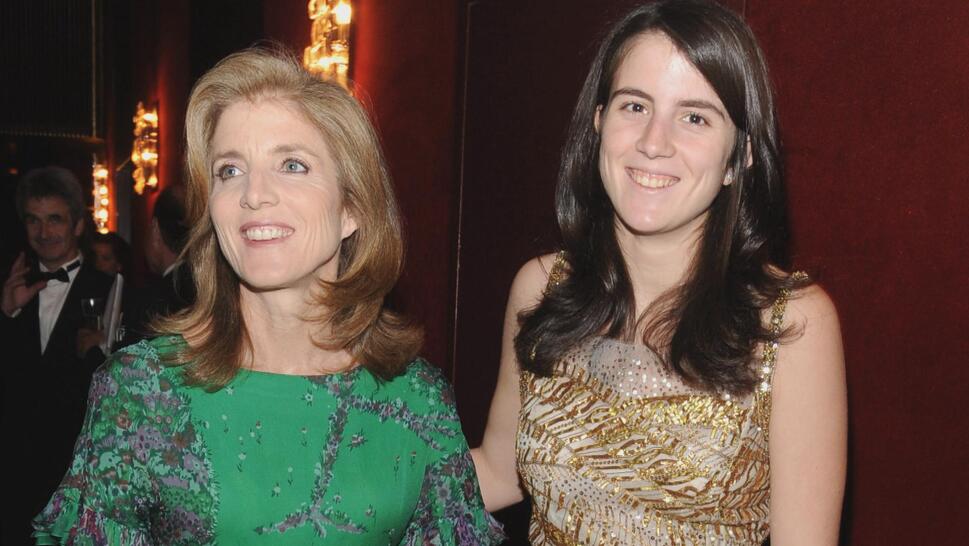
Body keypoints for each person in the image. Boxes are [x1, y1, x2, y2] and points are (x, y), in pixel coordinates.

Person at [32, 48, 503, 545]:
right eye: (229, 171)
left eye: (292, 164)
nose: (253, 194)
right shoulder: (142, 392)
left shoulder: (417, 398)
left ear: (351, 208)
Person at [471, 1, 847, 544]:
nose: (654, 142)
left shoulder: (791, 325)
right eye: (634, 106)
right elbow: (500, 473)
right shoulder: (541, 286)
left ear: (739, 155)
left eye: (694, 117)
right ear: (598, 122)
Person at [0, 166, 116, 545]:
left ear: (78, 225)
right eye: (34, 221)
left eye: (55, 220)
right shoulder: (12, 288)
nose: (44, 232)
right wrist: (7, 313)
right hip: (17, 473)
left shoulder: (111, 289)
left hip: (79, 473)